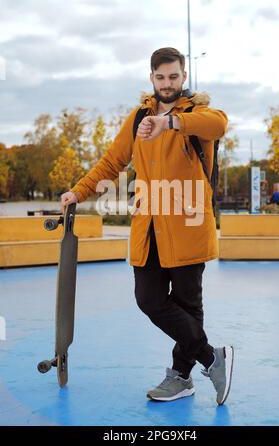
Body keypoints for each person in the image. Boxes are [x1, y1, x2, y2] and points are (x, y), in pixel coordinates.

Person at [60, 47, 234, 405]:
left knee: (188, 303)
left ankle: (181, 376)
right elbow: (112, 162)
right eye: (160, 77)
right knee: (149, 299)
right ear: (151, 78)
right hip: (149, 226)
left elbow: (219, 124)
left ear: (183, 77)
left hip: (188, 222)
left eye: (173, 76)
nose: (167, 83)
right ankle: (212, 357)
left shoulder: (198, 114)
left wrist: (170, 122)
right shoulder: (139, 116)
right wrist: (78, 192)